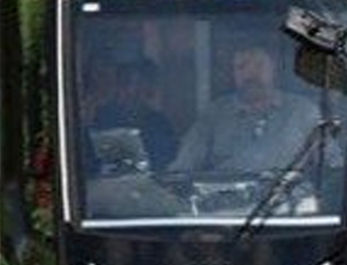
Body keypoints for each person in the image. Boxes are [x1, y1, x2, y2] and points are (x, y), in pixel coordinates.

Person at [168, 42, 322, 175]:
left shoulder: (303, 112)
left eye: (259, 65)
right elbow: (182, 168)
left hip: (293, 206)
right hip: (227, 206)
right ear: (233, 73)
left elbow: (331, 168)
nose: (250, 74)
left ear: (274, 69)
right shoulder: (214, 115)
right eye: (241, 67)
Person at [85, 55, 178, 171]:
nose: (132, 91)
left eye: (140, 84)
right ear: (118, 86)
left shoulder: (160, 124)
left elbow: (169, 165)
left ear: (151, 89)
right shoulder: (99, 118)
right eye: (127, 82)